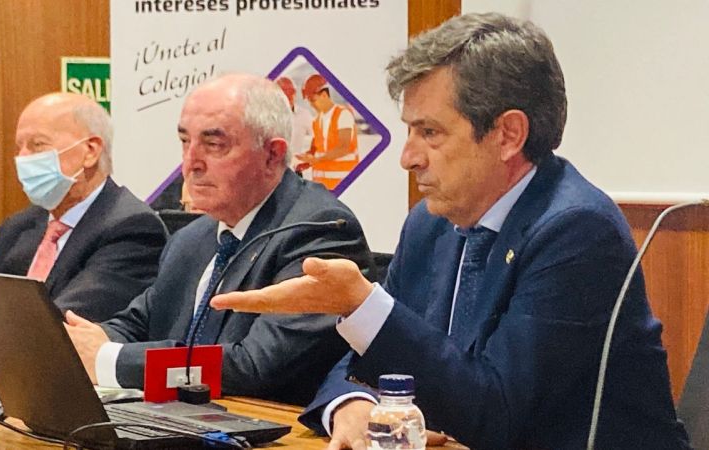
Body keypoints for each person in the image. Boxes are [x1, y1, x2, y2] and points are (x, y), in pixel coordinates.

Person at [210, 13, 691, 449]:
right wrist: (352, 402)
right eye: (409, 131)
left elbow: (497, 415)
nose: (408, 157)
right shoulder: (431, 223)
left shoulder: (576, 231)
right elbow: (373, 356)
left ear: (508, 135)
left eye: (430, 133)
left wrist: (361, 305)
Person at [64, 73, 373, 406]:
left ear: (272, 155)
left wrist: (109, 360)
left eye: (213, 145)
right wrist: (82, 343)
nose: (190, 163)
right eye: (185, 142)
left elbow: (255, 367)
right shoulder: (192, 238)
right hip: (183, 420)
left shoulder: (319, 231)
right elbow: (139, 322)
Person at [0, 93, 168, 357]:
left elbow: (54, 321)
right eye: (18, 148)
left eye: (37, 145)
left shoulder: (133, 229)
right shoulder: (22, 226)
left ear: (90, 151)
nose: (22, 158)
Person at [295, 74, 359, 190]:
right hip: (322, 187)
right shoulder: (317, 121)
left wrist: (317, 160)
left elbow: (343, 147)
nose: (311, 105)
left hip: (343, 184)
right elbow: (315, 151)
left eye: (313, 100)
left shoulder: (343, 114)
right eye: (309, 101)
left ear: (324, 95)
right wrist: (305, 161)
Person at [275, 76, 314, 160]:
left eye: (292, 91)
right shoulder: (267, 116)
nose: (290, 96)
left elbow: (319, 138)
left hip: (295, 165)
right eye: (285, 92)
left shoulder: (304, 115)